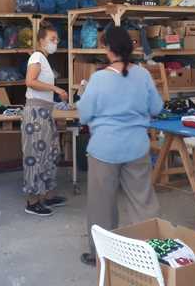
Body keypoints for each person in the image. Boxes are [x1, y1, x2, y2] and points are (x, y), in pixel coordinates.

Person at [77, 26, 163, 266]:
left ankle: (100, 255)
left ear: (107, 49)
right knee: (143, 202)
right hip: (136, 146)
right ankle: (150, 254)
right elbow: (156, 108)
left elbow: (83, 115)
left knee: (101, 205)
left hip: (104, 149)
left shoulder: (99, 78)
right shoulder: (143, 75)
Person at [22, 21, 68, 217]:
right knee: (35, 156)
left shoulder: (45, 60)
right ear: (41, 41)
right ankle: (33, 201)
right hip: (35, 114)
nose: (55, 42)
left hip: (45, 111)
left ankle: (48, 194)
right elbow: (30, 82)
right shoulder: (37, 56)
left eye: (56, 39)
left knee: (50, 152)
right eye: (52, 39)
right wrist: (55, 89)